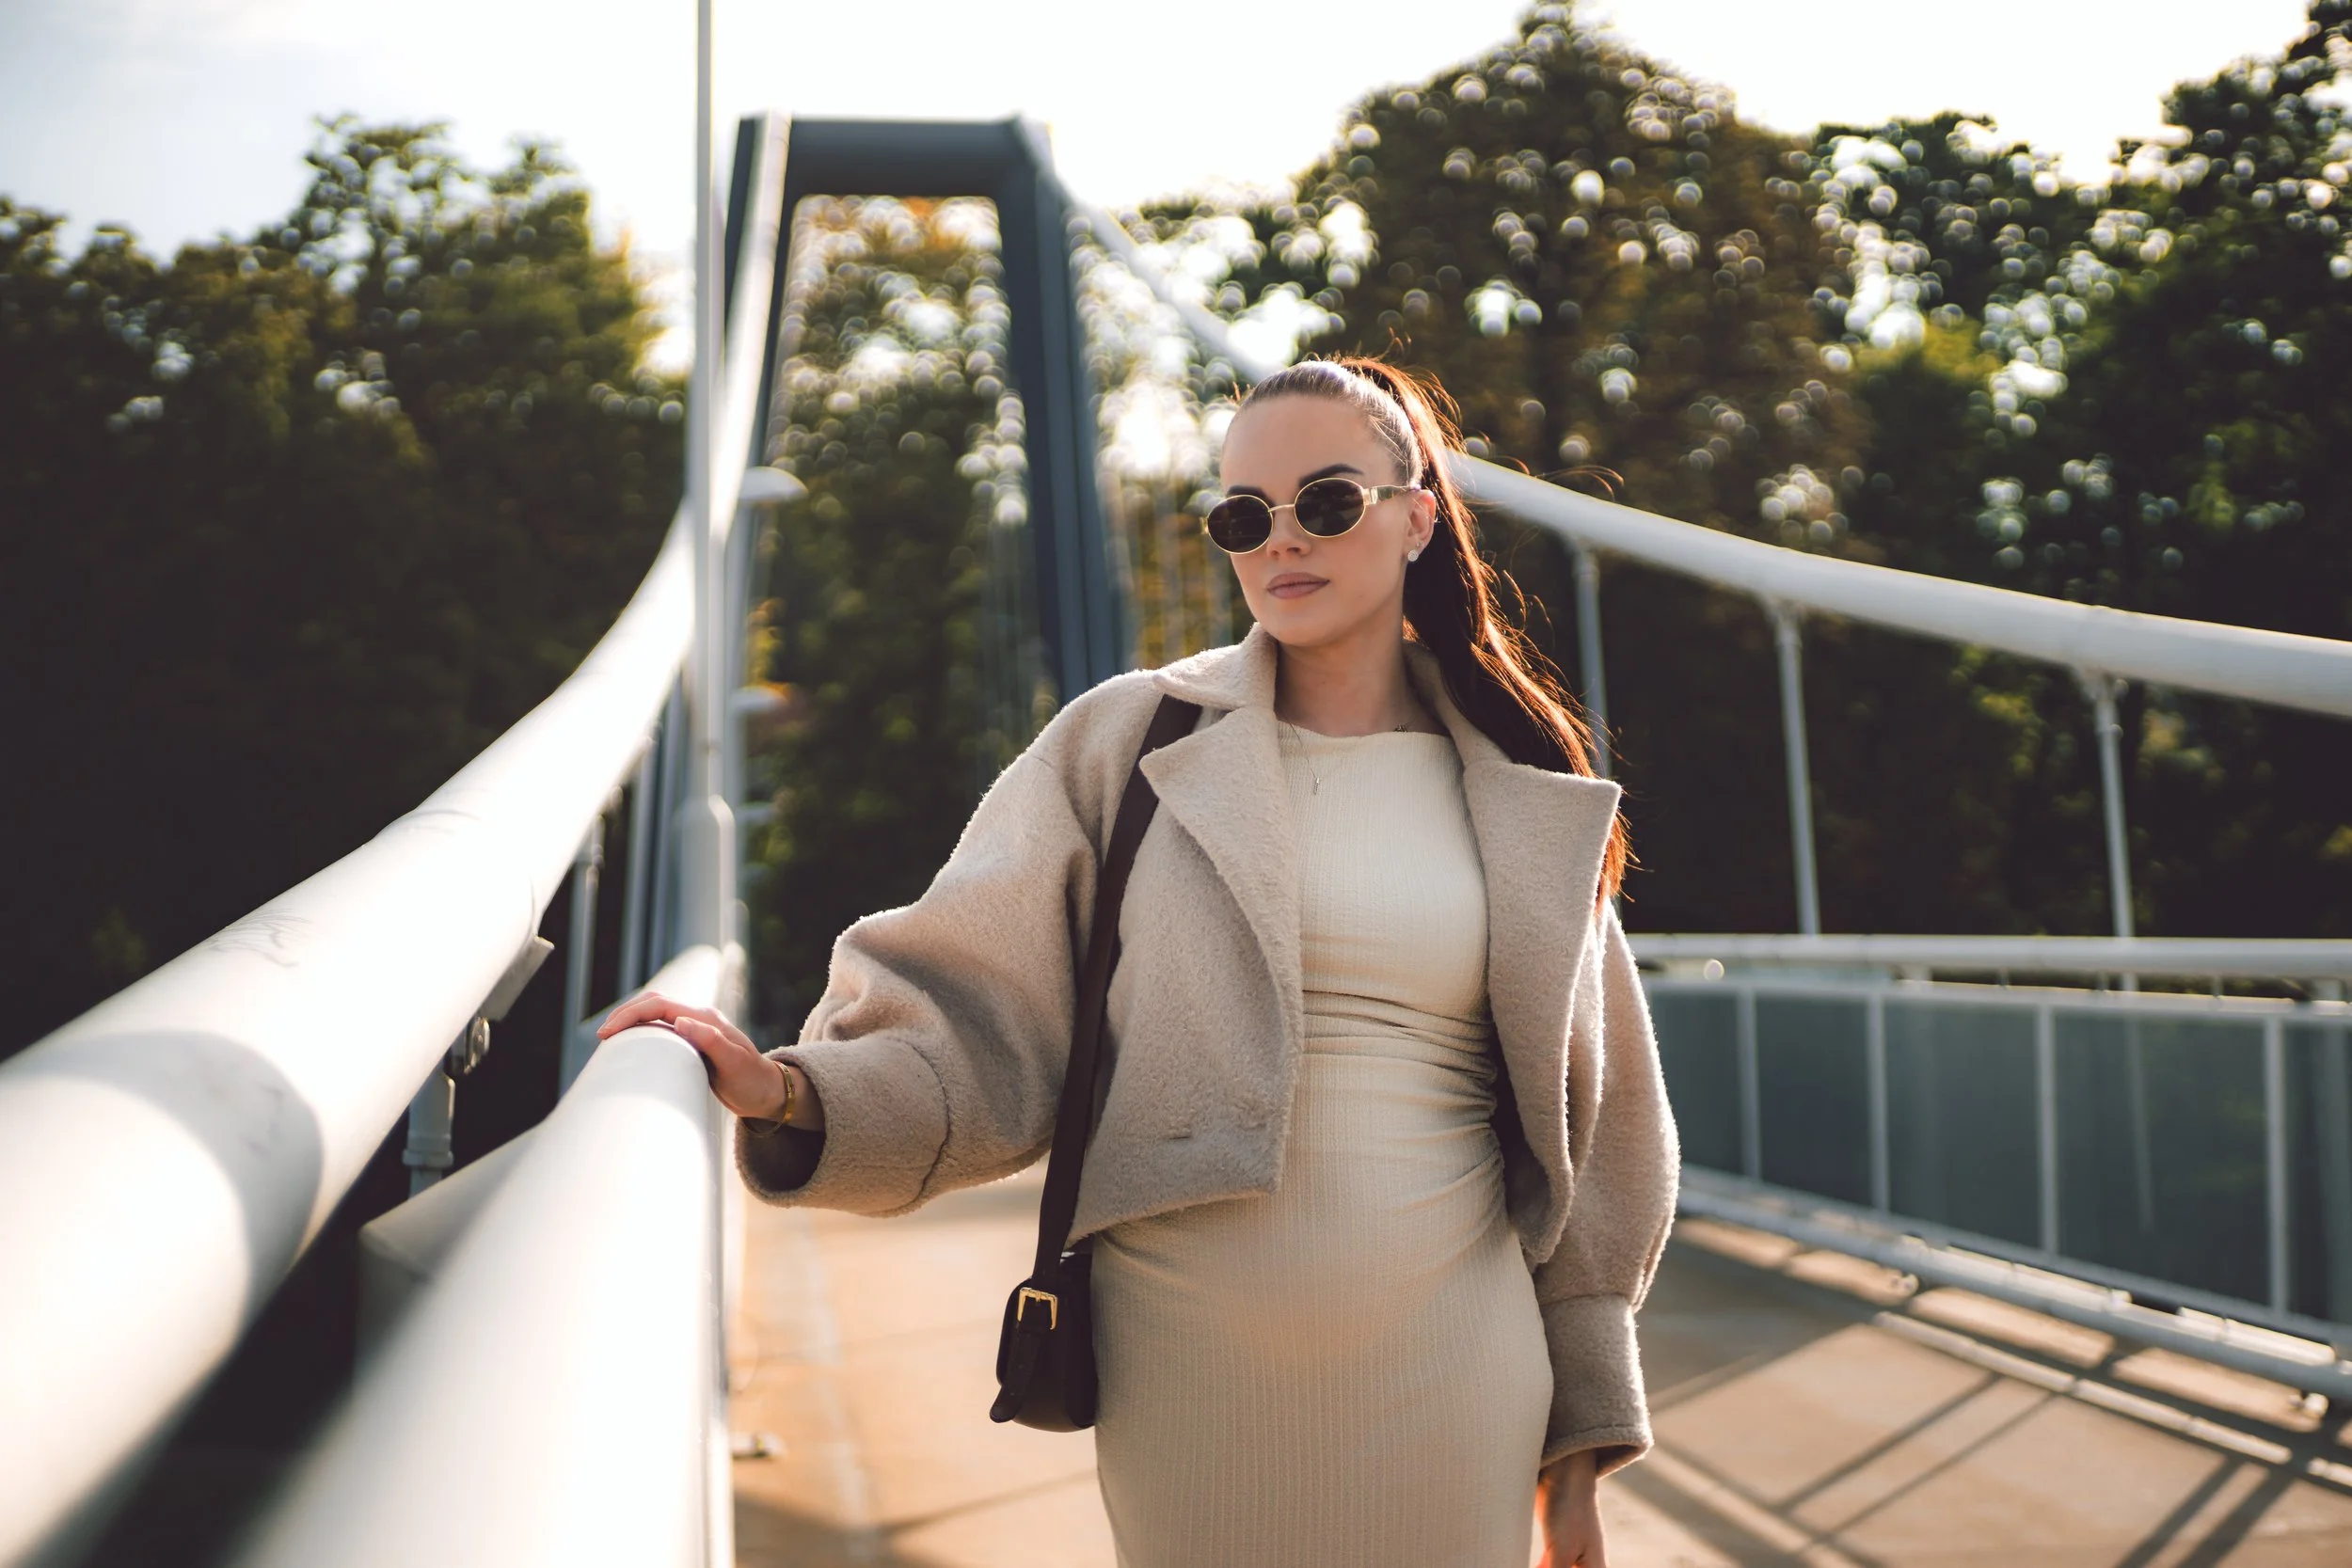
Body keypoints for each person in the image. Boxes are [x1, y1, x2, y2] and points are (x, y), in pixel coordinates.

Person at [600, 356, 1679, 1568]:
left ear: (1418, 513)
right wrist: (799, 1094)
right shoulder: (1128, 742)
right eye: (1239, 516)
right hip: (1189, 1355)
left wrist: (1580, 1451)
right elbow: (976, 1006)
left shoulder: (1525, 789)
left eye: (1326, 503)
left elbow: (1606, 1128)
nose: (1281, 542)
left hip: (1458, 1363)